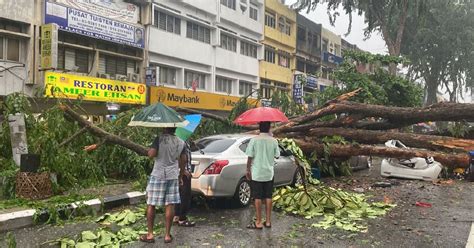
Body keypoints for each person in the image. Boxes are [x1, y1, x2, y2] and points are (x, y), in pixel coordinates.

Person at [140, 127, 186, 244]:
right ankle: (167, 235)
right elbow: (183, 160)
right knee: (170, 204)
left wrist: (149, 150)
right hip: (172, 175)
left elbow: (151, 154)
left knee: (151, 203)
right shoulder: (181, 142)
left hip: (158, 174)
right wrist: (180, 176)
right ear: (175, 128)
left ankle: (150, 234)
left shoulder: (159, 139)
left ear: (165, 127)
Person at [245, 121, 280, 229]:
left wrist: (247, 170)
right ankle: (268, 221)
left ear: (259, 128)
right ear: (269, 128)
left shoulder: (254, 140)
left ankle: (259, 222)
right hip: (269, 173)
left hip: (257, 173)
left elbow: (249, 156)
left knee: (258, 197)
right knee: (268, 196)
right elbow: (277, 155)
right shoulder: (274, 141)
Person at [173, 140, 196, 227]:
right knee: (185, 195)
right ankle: (182, 218)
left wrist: (192, 145)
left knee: (179, 194)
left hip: (183, 170)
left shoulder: (185, 141)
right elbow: (178, 156)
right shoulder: (180, 141)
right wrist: (183, 170)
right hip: (183, 172)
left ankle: (176, 216)